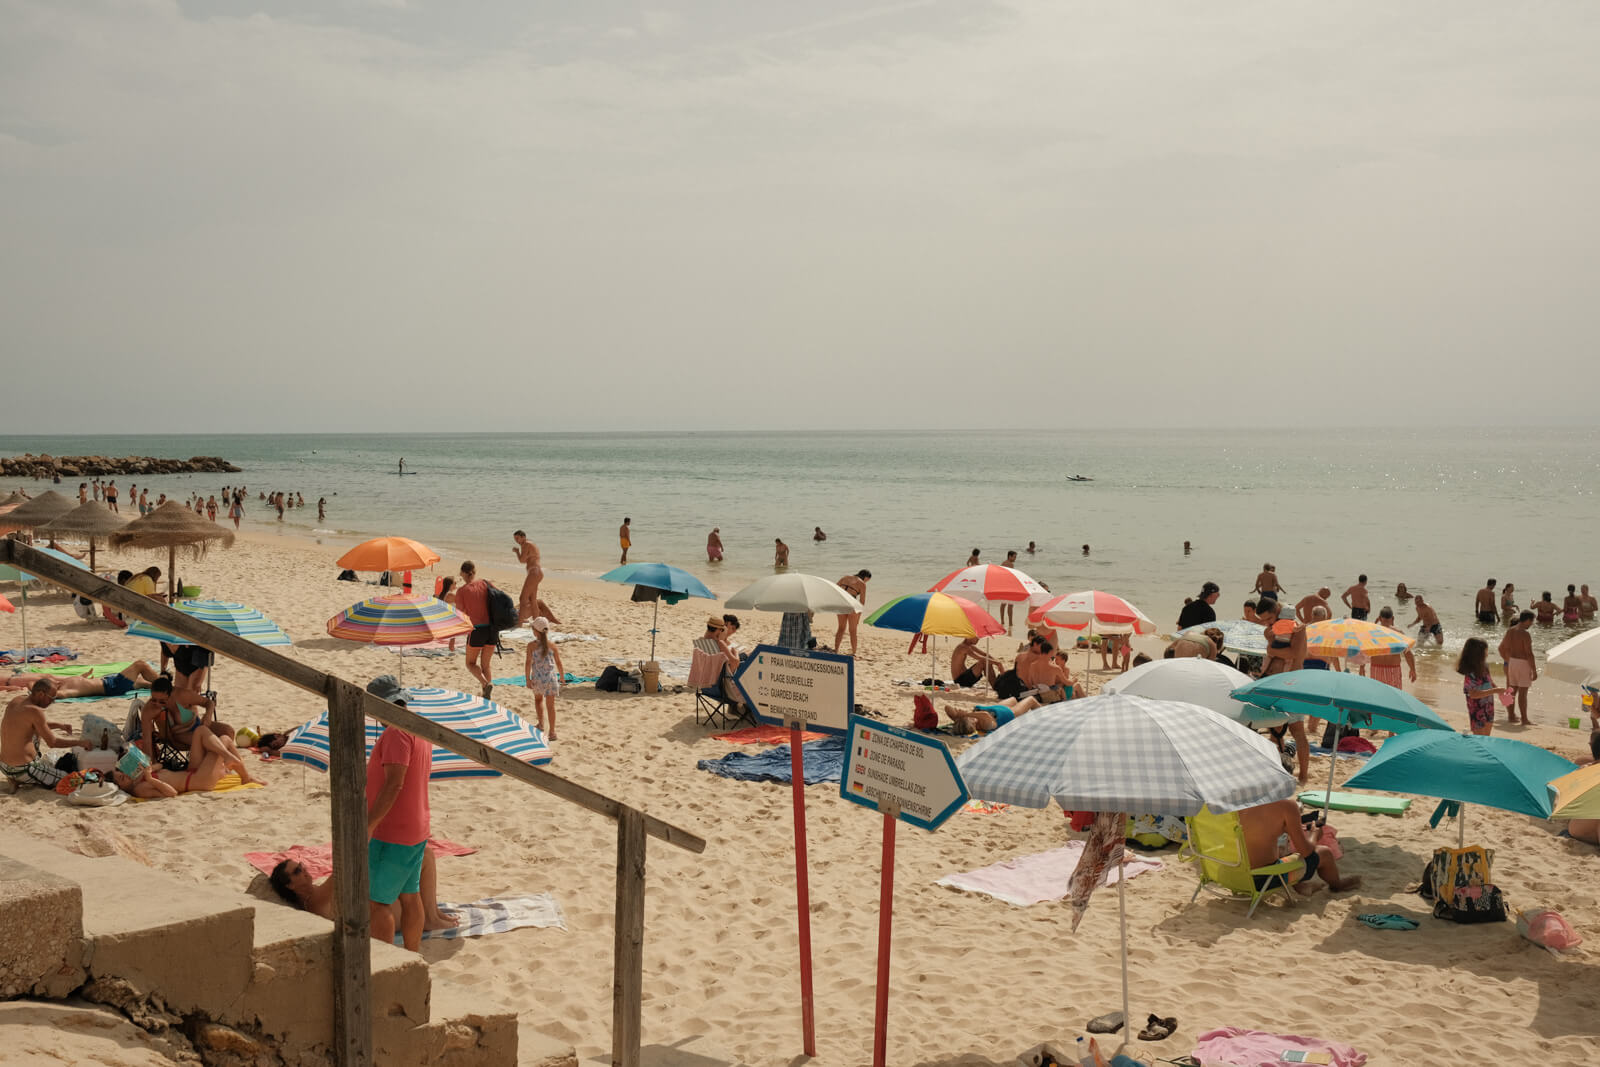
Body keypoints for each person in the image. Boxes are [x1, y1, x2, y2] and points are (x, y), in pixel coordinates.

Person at [364, 675, 432, 952]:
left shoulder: (396, 732)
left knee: (378, 902)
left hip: (392, 831)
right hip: (416, 826)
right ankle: (412, 955)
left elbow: (395, 783)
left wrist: (369, 825)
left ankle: (386, 962)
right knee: (410, 896)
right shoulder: (416, 727)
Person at [269, 848, 456, 934]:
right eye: (297, 871)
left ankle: (433, 913)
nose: (305, 871)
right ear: (290, 886)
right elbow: (343, 867)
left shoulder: (313, 895)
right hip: (385, 917)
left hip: (378, 912)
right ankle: (430, 918)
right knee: (424, 856)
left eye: (301, 865)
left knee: (424, 856)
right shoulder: (314, 901)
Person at [1238, 799, 1361, 895]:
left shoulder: (1236, 804)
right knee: (1324, 853)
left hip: (1232, 874)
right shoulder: (1286, 806)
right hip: (1263, 880)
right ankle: (1337, 885)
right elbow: (1306, 851)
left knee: (1281, 851)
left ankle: (1303, 886)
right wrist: (1314, 834)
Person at [1, 680, 94, 788]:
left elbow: (33, 724)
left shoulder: (16, 701)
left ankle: (17, 779)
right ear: (41, 694)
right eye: (52, 698)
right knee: (71, 779)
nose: (52, 702)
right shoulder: (35, 711)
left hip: (4, 766)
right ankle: (22, 778)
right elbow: (52, 742)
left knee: (37, 733)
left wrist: (60, 725)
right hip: (23, 769)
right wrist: (80, 743)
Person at [1258, 600, 1310, 784]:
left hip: (1293, 684)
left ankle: (1303, 775)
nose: (1267, 623)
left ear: (1278, 611)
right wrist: (1271, 644)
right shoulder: (1275, 629)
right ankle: (1276, 769)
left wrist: (1271, 648)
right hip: (1275, 684)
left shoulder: (1297, 629)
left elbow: (1293, 653)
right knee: (1275, 730)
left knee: (1297, 731)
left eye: (1270, 619)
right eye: (1264, 620)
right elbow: (1271, 641)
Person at [137, 676, 241, 766]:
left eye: (162, 701)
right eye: (154, 700)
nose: (157, 704)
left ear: (171, 694)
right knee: (206, 741)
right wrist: (151, 764)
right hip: (178, 737)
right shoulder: (149, 710)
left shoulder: (182, 695)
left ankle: (223, 762)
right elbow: (147, 740)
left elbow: (209, 703)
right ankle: (222, 760)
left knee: (228, 731)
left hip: (197, 725)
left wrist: (208, 715)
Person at [453, 562, 499, 698]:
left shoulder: (461, 591)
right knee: (486, 665)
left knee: (470, 663)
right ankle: (487, 693)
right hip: (492, 629)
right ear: (474, 571)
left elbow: (459, 615)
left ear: (462, 573)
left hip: (477, 630)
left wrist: (452, 638)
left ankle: (485, 684)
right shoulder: (486, 583)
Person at [1, 660, 158, 699]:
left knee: (142, 684)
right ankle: (163, 685)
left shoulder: (62, 682)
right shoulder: (66, 691)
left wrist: (82, 677)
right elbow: (56, 695)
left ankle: (158, 685)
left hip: (108, 681)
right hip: (112, 686)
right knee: (140, 665)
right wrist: (33, 687)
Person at [523, 617, 565, 740]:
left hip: (538, 678)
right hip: (551, 679)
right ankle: (552, 732)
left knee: (538, 700)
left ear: (535, 631)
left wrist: (527, 679)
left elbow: (528, 663)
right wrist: (562, 677)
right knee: (551, 706)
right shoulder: (552, 645)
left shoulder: (531, 646)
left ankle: (541, 724)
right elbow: (558, 662)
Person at [1498, 611, 1536, 726]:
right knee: (1523, 693)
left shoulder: (1510, 631)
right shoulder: (1525, 634)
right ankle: (1524, 719)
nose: (1531, 624)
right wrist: (1534, 670)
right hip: (1523, 663)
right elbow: (1529, 653)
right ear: (1527, 620)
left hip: (1512, 662)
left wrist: (1508, 660)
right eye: (1531, 621)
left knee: (1511, 691)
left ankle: (1511, 716)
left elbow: (1501, 647)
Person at [1456, 638, 1499, 737]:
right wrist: (1495, 690)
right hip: (1477, 708)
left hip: (1488, 705)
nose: (1487, 653)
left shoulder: (1485, 666)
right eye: (1486, 650)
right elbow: (1473, 695)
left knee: (1487, 737)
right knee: (1480, 737)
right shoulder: (1470, 672)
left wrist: (1501, 692)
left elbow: (1490, 682)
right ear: (1478, 653)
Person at [943, 695, 1045, 735]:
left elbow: (947, 708)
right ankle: (1046, 717)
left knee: (1014, 698)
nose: (971, 717)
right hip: (1012, 713)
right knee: (1031, 700)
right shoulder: (985, 725)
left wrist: (958, 716)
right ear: (973, 725)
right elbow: (986, 714)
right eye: (970, 719)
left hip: (999, 707)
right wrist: (967, 714)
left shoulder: (963, 720)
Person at [1367, 608, 1416, 690]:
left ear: (1379, 618)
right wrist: (1413, 670)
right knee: (1394, 697)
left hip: (1376, 668)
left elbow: (1365, 650)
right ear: (1392, 618)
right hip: (1393, 670)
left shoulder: (1372, 632)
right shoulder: (1398, 633)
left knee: (1377, 696)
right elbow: (1408, 653)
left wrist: (1362, 667)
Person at [835, 570, 870, 656]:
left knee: (841, 628)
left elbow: (835, 588)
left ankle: (836, 650)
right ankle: (854, 652)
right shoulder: (862, 584)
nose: (866, 582)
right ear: (866, 577)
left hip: (841, 604)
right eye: (867, 580)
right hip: (852, 605)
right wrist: (859, 616)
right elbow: (862, 601)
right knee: (853, 630)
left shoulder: (845, 577)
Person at [513, 530, 543, 624]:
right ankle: (537, 623)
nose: (516, 541)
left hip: (534, 572)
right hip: (537, 572)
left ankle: (519, 624)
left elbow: (522, 560)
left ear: (523, 537)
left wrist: (517, 552)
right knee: (532, 599)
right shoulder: (529, 544)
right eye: (515, 539)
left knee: (523, 598)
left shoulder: (526, 544)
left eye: (517, 538)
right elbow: (526, 559)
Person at [998, 550, 1021, 629]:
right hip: (1009, 586)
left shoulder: (1003, 563)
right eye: (1014, 557)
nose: (1015, 559)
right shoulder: (1011, 564)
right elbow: (1011, 577)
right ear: (1010, 556)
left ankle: (1002, 621)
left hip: (1003, 586)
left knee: (1003, 604)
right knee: (1010, 605)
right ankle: (1010, 622)